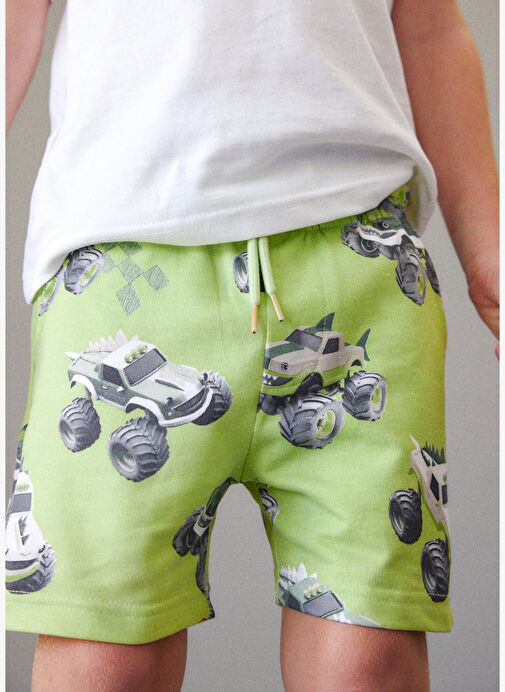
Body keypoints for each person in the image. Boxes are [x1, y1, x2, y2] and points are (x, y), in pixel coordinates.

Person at [6, 1, 498, 690]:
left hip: (361, 255)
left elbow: (428, 24)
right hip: (126, 261)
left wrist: (488, 254)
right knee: (105, 659)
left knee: (369, 664)